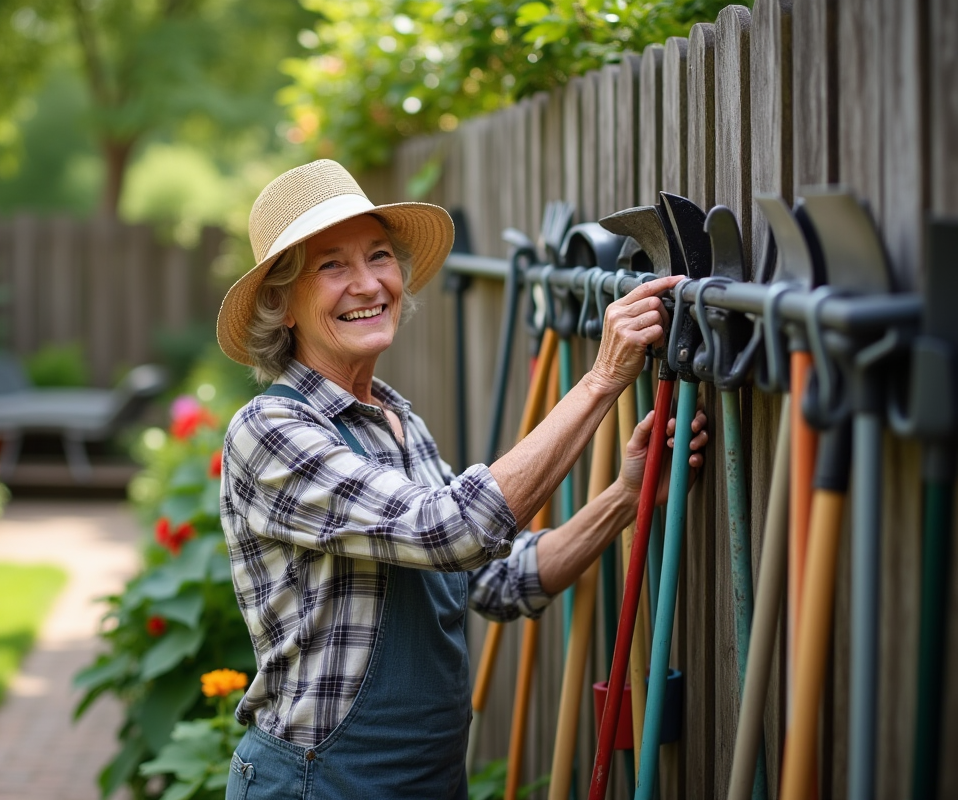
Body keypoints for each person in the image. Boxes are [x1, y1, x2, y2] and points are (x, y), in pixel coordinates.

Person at [216, 160, 707, 799]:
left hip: (428, 780)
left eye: (379, 256)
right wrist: (601, 379)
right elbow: (452, 531)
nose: (368, 284)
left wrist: (623, 498)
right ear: (282, 305)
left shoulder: (396, 422)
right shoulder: (271, 431)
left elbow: (496, 581)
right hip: (322, 782)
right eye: (332, 266)